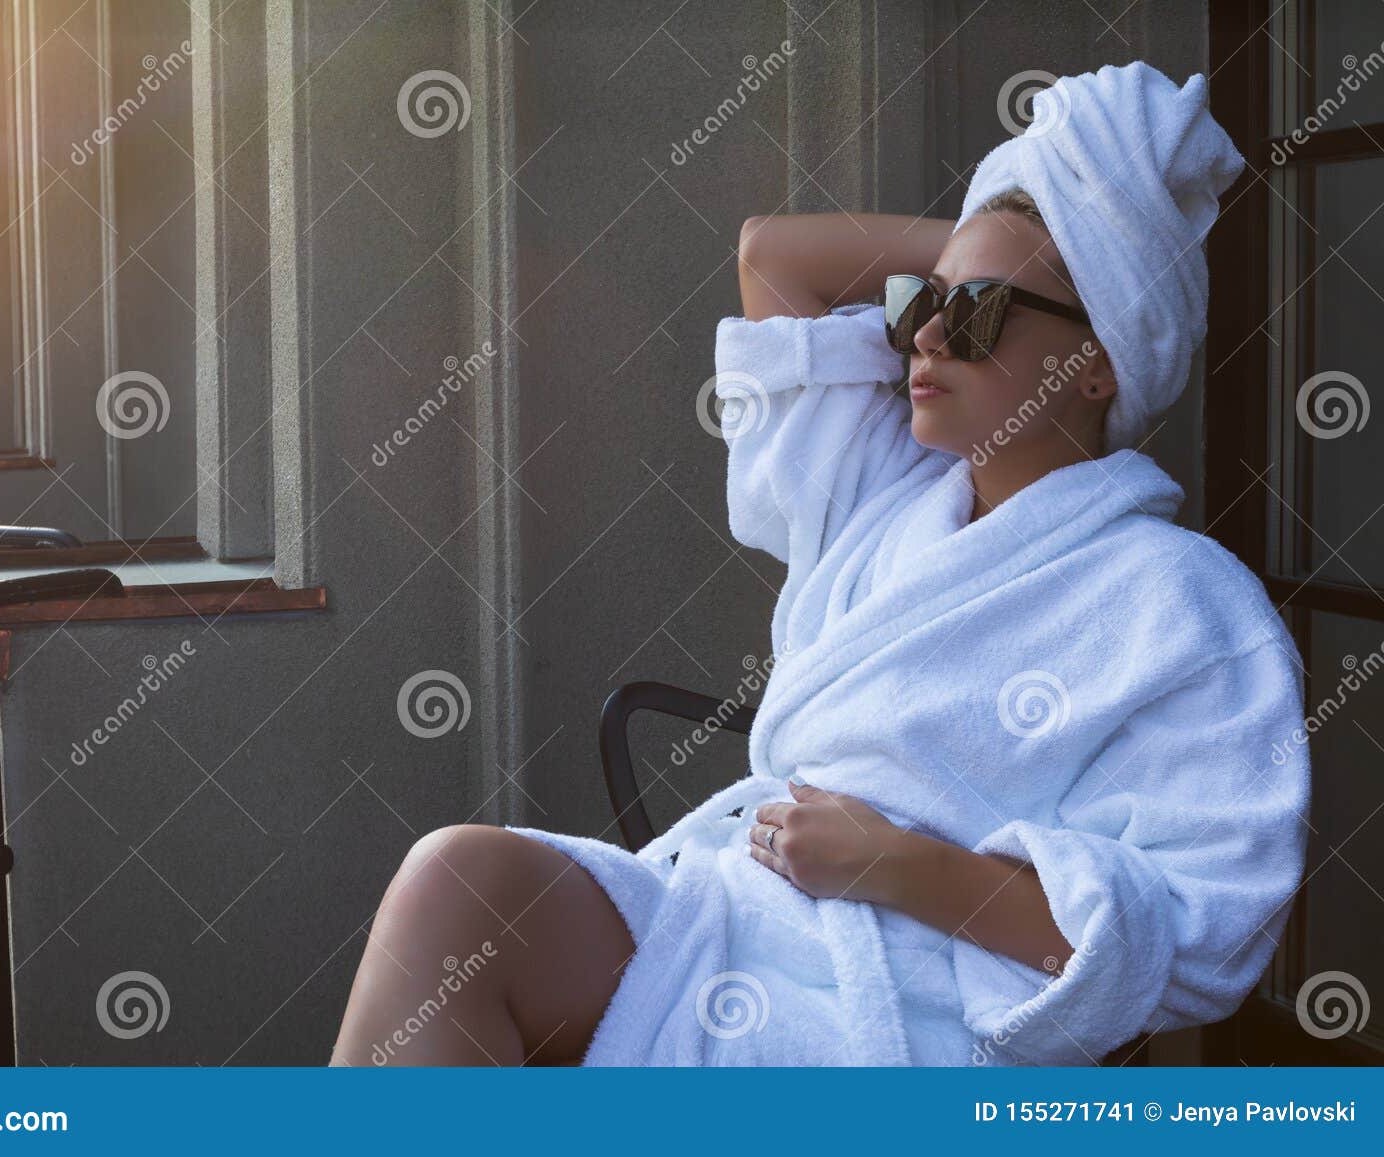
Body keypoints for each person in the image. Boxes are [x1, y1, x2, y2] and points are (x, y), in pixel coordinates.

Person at [331, 61, 1310, 1067]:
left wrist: (903, 867)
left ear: (1097, 361)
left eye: (972, 313)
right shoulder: (882, 496)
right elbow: (773, 256)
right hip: (740, 912)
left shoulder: (1183, 602)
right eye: (916, 304)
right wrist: (1032, 215)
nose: (924, 336)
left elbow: (1192, 937)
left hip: (908, 1006)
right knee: (457, 882)